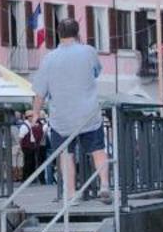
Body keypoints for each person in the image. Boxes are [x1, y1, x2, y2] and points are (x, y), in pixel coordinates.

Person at [31, 17, 108, 200]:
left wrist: (35, 113)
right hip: (88, 114)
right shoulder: (88, 51)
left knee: (66, 155)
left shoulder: (49, 58)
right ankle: (104, 185)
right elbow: (97, 71)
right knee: (97, 150)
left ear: (58, 34)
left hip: (62, 118)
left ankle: (71, 193)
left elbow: (40, 93)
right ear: (77, 33)